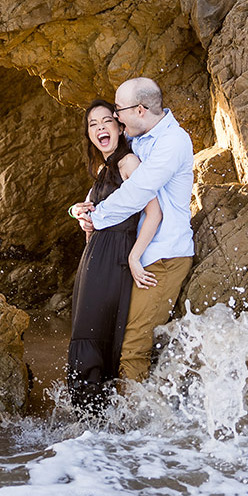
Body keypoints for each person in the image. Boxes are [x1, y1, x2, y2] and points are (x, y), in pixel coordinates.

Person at [73, 78, 194, 382]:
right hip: (134, 256)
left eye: (117, 111)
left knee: (132, 348)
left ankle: (136, 427)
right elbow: (106, 184)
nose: (115, 118)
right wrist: (81, 211)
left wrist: (98, 218)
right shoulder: (139, 138)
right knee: (112, 342)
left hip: (163, 257)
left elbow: (139, 191)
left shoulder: (173, 142)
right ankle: (111, 421)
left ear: (139, 110)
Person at [67, 99, 162, 414]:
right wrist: (77, 214)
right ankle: (96, 427)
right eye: (92, 125)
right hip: (94, 258)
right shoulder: (102, 170)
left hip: (115, 258)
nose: (99, 129)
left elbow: (153, 212)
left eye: (106, 121)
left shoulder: (128, 164)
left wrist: (134, 258)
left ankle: (92, 427)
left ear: (121, 128)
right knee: (90, 335)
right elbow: (84, 213)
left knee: (94, 337)